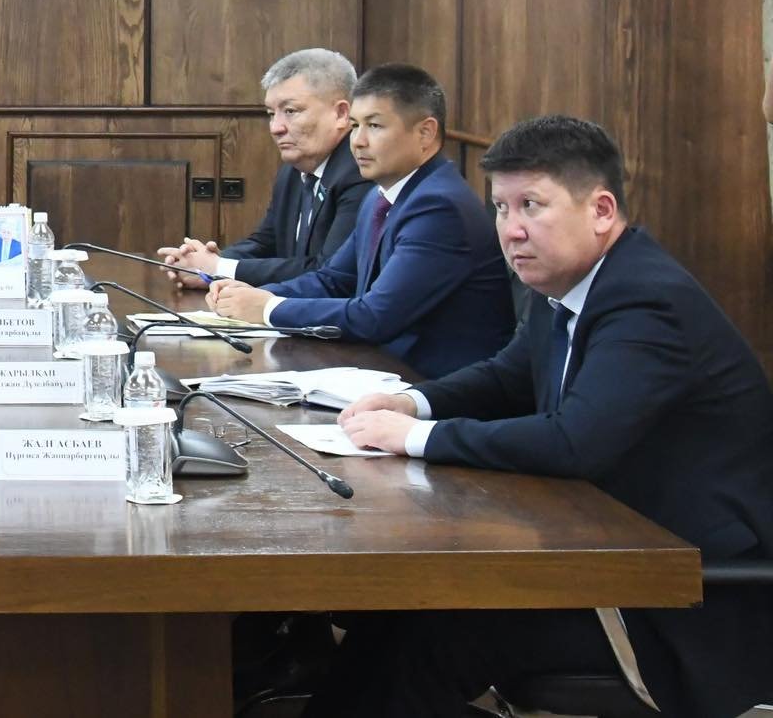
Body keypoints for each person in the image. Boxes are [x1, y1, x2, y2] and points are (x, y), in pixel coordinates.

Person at [326, 116, 773, 718]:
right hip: (603, 551)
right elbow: (507, 376)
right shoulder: (566, 285)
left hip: (680, 599)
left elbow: (573, 443)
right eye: (501, 207)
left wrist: (417, 437)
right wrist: (413, 402)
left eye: (531, 206)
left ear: (601, 210)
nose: (511, 230)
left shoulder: (647, 301)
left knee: (429, 637)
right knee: (395, 617)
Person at [207, 63, 512, 379]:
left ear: (425, 132)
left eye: (375, 126)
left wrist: (268, 308)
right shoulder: (381, 196)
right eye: (354, 126)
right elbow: (333, 280)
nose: (358, 141)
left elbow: (375, 316)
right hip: (381, 370)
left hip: (435, 386)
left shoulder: (439, 206)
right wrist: (246, 295)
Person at [159, 47, 370, 288]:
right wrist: (202, 263)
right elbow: (266, 243)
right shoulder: (294, 170)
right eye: (271, 113)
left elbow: (327, 273)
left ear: (341, 114)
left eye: (290, 111)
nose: (275, 128)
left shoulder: (360, 171)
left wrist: (219, 268)